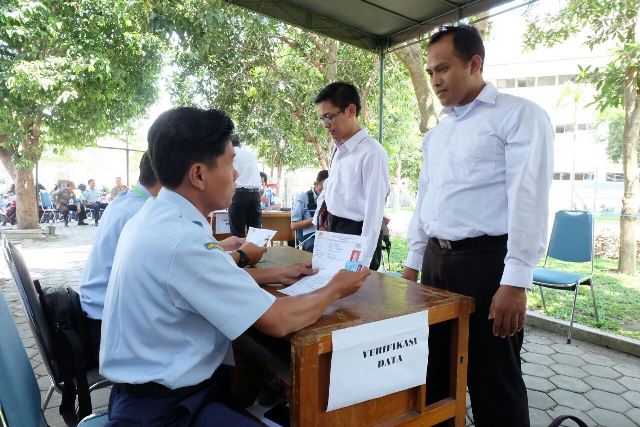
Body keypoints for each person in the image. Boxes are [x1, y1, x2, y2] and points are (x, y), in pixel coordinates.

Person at [99, 106, 370, 426]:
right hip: (165, 410)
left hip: (149, 393)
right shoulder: (182, 241)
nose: (237, 175)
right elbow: (280, 320)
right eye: (230, 163)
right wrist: (336, 287)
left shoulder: (157, 218)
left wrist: (276, 273)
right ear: (199, 174)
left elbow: (204, 274)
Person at [402, 25, 554, 427]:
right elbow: (425, 203)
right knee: (434, 371)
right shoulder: (437, 135)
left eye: (444, 69)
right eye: (431, 71)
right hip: (437, 263)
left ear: (475, 64)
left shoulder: (519, 116)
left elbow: (529, 200)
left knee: (493, 380)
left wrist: (516, 280)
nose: (435, 80)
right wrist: (412, 264)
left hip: (488, 267)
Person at [313, 81, 390, 270]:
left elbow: (374, 213)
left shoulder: (372, 153)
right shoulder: (339, 148)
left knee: (355, 295)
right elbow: (332, 186)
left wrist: (361, 262)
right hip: (334, 230)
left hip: (356, 234)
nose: (326, 125)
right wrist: (320, 220)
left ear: (351, 111)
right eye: (322, 118)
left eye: (329, 117)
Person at [228, 134, 262, 237]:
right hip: (255, 195)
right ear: (239, 144)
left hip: (239, 194)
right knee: (255, 233)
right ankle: (254, 252)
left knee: (237, 233)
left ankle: (240, 253)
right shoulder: (251, 155)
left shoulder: (231, 154)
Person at [290, 170, 328, 252]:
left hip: (327, 234)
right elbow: (293, 225)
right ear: (317, 183)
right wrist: (314, 219)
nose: (324, 193)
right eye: (322, 189)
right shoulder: (303, 197)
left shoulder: (330, 197)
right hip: (310, 235)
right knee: (316, 247)